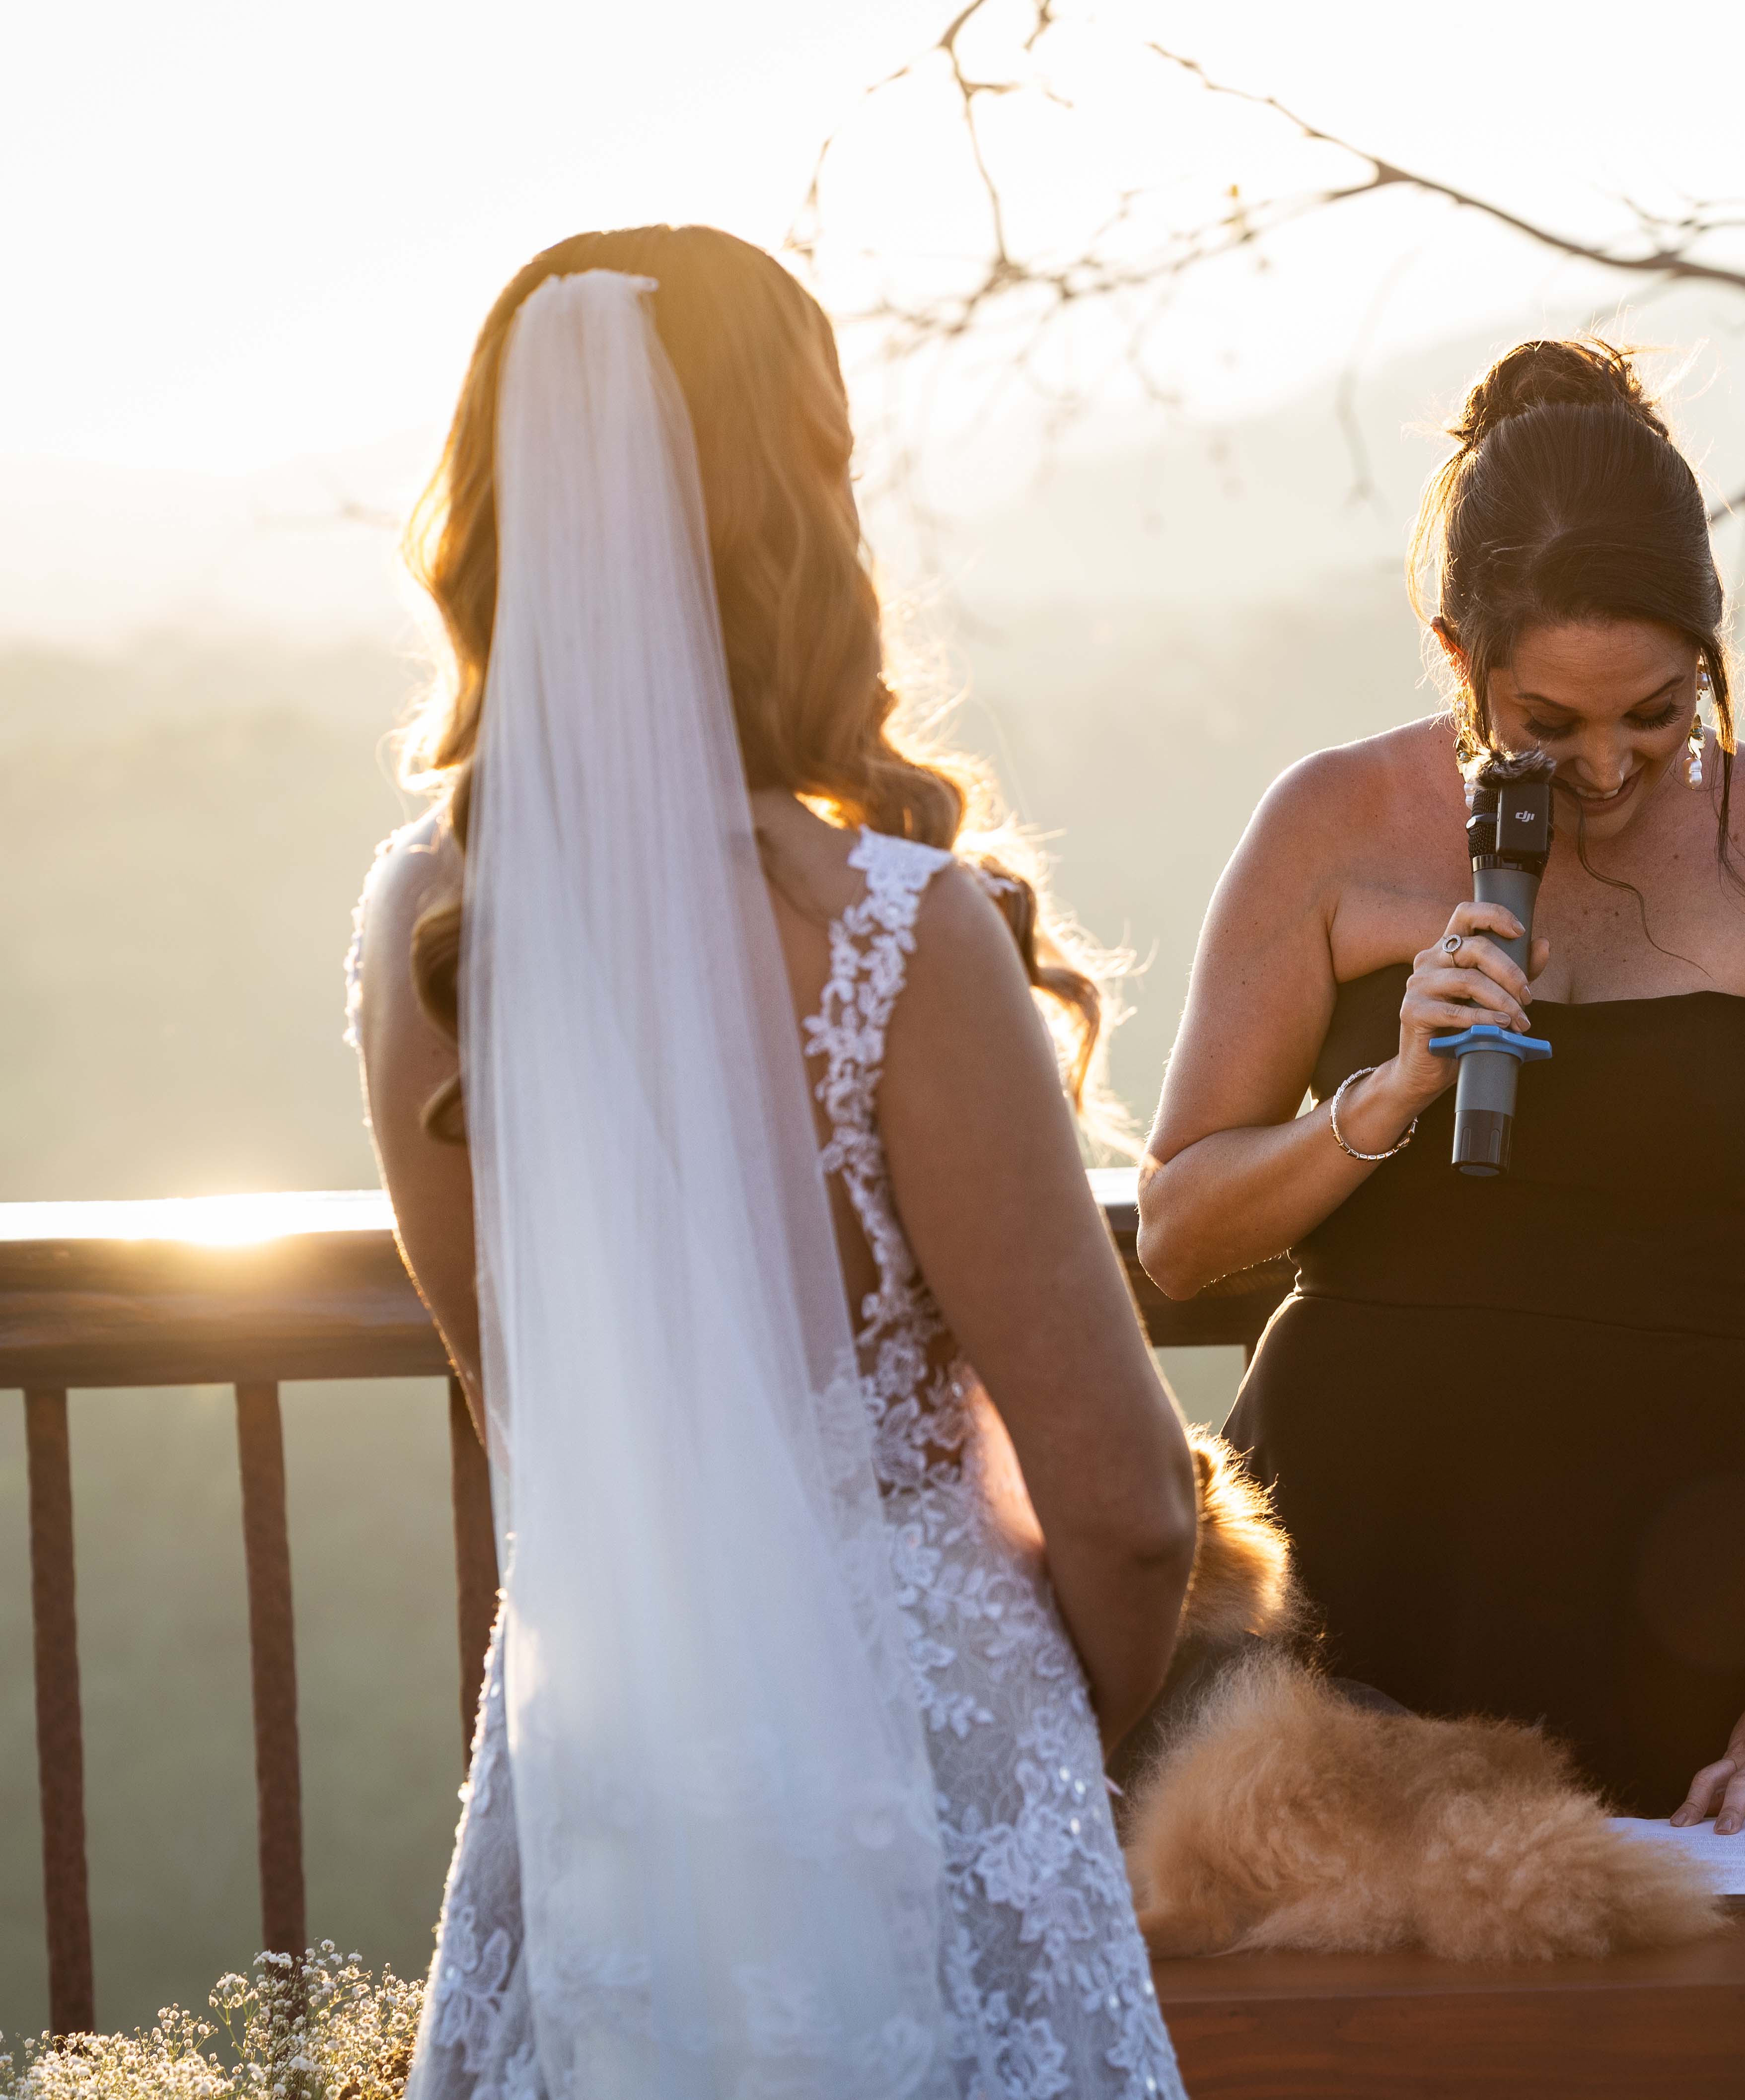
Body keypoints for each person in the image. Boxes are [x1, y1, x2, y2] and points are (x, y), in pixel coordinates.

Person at [351, 229, 1196, 2099]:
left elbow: (532, 1417)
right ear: (794, 515)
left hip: (616, 1772)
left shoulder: (431, 931)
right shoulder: (901, 931)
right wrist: (1044, 1742)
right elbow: (1130, 1498)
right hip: (930, 1757)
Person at [1137, 341, 1745, 1830]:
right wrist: (1376, 1102)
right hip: (1354, 1557)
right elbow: (1179, 1231)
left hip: (1692, 1578)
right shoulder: (1329, 824)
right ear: (1458, 657)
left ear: (1709, 642)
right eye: (1547, 729)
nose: (1610, 769)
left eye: (1656, 711)